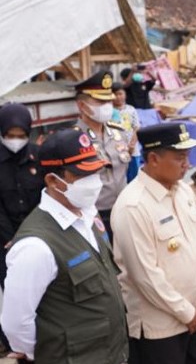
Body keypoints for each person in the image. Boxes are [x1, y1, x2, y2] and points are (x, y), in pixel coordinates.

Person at [1, 129, 129, 364]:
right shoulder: (35, 246)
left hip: (111, 353)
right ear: (52, 180)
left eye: (96, 172)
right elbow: (16, 324)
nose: (94, 182)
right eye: (83, 176)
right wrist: (50, 352)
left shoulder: (89, 216)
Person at [111, 123, 196, 364]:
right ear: (153, 159)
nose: (187, 164)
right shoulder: (133, 206)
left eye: (188, 157)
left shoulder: (184, 191)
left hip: (193, 315)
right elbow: (145, 275)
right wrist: (187, 313)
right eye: (180, 157)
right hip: (160, 328)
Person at [0, 103, 45, 353]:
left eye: (21, 136)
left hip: (38, 236)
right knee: (14, 294)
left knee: (42, 292)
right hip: (5, 242)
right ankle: (14, 344)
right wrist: (10, 239)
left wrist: (32, 234)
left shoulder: (38, 156)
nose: (15, 140)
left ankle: (44, 337)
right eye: (10, 135)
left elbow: (45, 197)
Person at [75, 70, 131, 241]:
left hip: (124, 208)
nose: (107, 105)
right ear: (82, 106)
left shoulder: (119, 132)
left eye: (108, 100)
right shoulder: (74, 138)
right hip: (95, 213)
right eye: (100, 101)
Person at [112, 82, 141, 182]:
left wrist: (132, 145)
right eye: (115, 94)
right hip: (116, 151)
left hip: (132, 150)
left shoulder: (131, 110)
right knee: (120, 178)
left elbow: (136, 127)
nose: (118, 97)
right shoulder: (109, 112)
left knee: (134, 177)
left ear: (125, 95)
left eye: (120, 94)